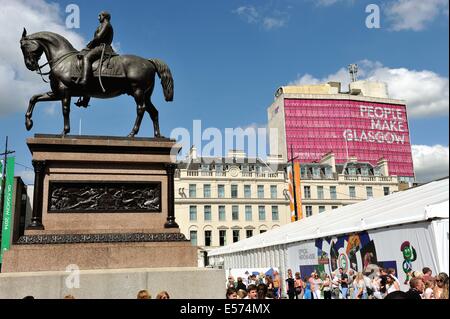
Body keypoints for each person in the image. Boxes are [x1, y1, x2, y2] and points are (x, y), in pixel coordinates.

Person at [75, 11, 114, 107]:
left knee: (86, 58)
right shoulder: (102, 25)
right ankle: (85, 100)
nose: (98, 17)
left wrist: (89, 45)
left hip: (103, 48)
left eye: (99, 15)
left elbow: (98, 37)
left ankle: (84, 80)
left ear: (104, 16)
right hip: (98, 47)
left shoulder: (106, 24)